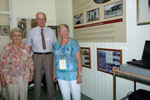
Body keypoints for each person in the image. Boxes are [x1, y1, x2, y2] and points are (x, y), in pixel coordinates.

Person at [26, 12, 57, 100]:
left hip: (49, 56)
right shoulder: (32, 32)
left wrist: (56, 58)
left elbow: (55, 45)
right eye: (39, 19)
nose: (41, 21)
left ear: (45, 20)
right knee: (37, 79)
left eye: (43, 18)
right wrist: (28, 60)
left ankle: (52, 98)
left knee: (50, 79)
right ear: (36, 20)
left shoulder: (51, 31)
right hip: (36, 57)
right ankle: (37, 98)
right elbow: (29, 47)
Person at [0, 28, 34, 100]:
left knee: (23, 96)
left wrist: (32, 73)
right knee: (13, 96)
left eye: (19, 35)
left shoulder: (26, 47)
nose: (17, 37)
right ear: (11, 37)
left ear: (22, 37)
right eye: (15, 35)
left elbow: (30, 61)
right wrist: (2, 77)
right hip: (11, 76)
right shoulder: (7, 47)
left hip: (24, 75)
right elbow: (2, 63)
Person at [53, 24, 82, 100]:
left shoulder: (74, 42)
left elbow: (79, 60)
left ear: (68, 31)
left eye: (65, 31)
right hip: (60, 74)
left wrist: (79, 75)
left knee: (76, 96)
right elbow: (54, 59)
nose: (63, 33)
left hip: (72, 74)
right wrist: (54, 73)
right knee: (65, 96)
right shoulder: (56, 44)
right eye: (61, 31)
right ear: (59, 32)